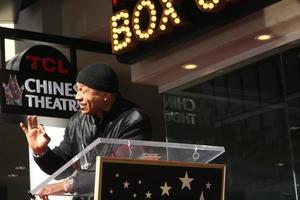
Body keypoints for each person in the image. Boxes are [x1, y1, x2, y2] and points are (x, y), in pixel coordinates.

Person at [20, 63, 152, 200]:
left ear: (106, 94)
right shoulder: (77, 120)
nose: (77, 97)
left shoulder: (134, 119)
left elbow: (117, 170)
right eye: (77, 90)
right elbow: (61, 168)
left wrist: (68, 185)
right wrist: (40, 152)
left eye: (84, 91)